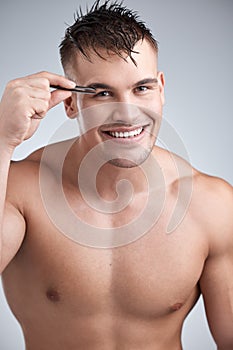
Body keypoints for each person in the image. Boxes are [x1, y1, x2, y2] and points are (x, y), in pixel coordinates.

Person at [0, 0, 232, 349]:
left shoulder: (212, 205)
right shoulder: (20, 190)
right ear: (69, 103)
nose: (126, 113)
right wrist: (3, 140)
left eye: (142, 88)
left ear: (161, 89)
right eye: (101, 93)